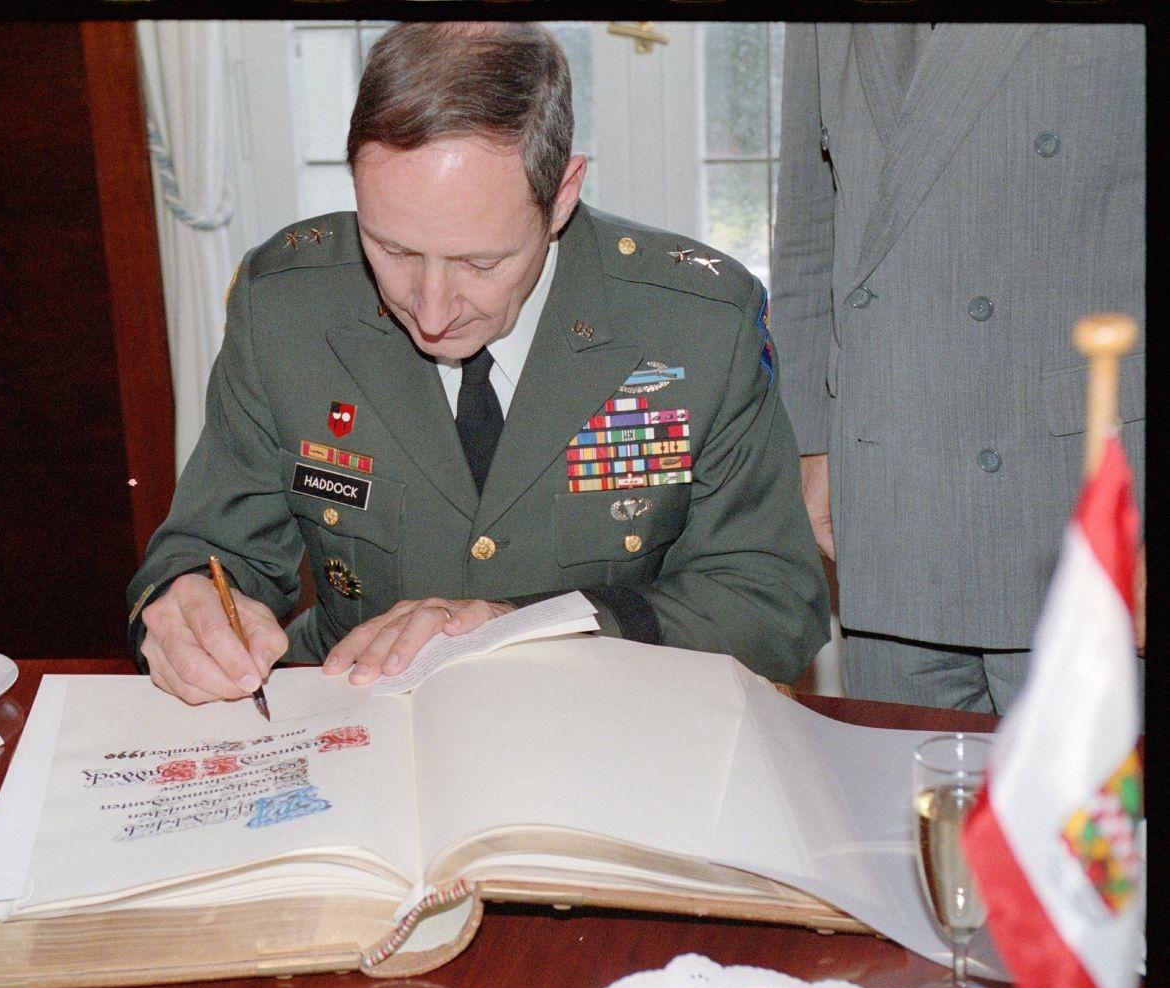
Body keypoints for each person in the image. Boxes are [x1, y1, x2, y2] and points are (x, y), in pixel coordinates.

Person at [129, 21, 828, 706]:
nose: (431, 311)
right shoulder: (287, 305)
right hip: (355, 717)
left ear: (561, 194)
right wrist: (186, 601)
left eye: (480, 261)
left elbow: (769, 604)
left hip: (607, 719)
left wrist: (528, 630)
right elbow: (215, 550)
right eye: (393, 250)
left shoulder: (694, 323)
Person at [769, 23, 1145, 713]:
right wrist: (812, 438)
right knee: (901, 805)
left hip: (1075, 475)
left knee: (1072, 815)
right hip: (888, 475)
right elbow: (807, 221)